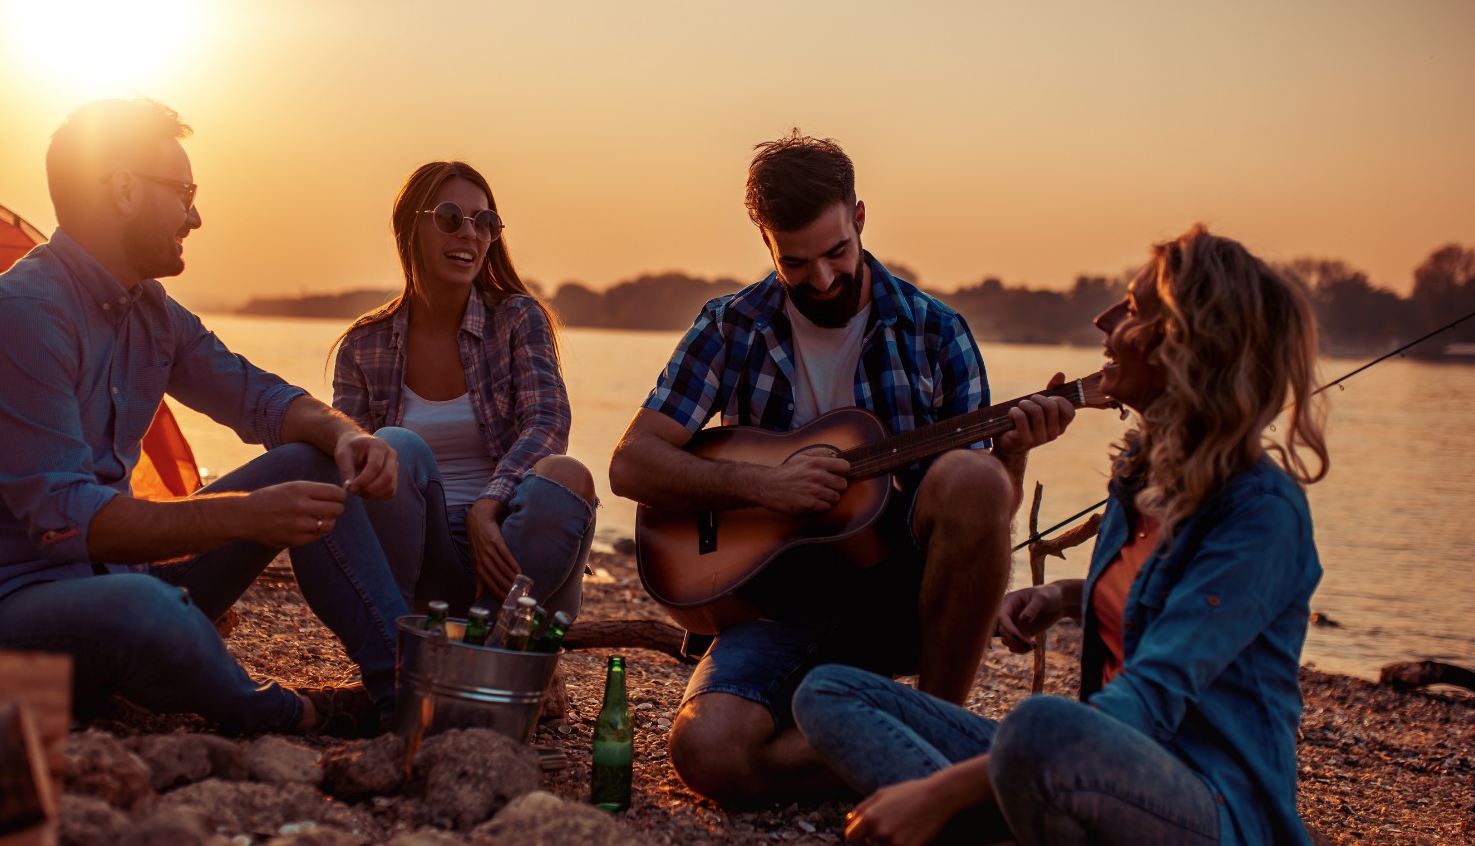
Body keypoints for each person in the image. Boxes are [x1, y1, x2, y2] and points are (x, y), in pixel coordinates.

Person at [793, 225, 1330, 845]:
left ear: (1183, 343)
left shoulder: (1261, 513)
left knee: (1038, 727)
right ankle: (983, 828)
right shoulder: (1142, 475)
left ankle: (950, 816)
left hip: (1212, 807)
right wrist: (1065, 598)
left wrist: (936, 791)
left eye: (1130, 309)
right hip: (1090, 777)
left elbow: (1148, 701)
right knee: (829, 690)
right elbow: (1165, 598)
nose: (1103, 321)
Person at [0, 97, 412, 737]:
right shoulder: (19, 317)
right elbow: (67, 523)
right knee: (143, 608)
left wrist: (346, 435)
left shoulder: (151, 311)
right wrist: (248, 515)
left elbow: (262, 399)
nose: (195, 215)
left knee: (313, 461)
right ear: (122, 189)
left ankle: (408, 691)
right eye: (185, 192)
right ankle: (298, 713)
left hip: (110, 583)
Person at [607, 130, 1076, 801]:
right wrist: (762, 485)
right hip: (771, 607)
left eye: (837, 252)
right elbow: (632, 463)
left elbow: (981, 508)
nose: (822, 279)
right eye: (796, 263)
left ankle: (931, 741)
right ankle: (910, 756)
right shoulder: (730, 325)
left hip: (902, 602)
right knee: (705, 751)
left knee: (969, 477)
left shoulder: (934, 331)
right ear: (765, 241)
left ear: (859, 218)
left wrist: (1014, 452)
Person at [332, 162, 595, 619]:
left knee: (566, 474)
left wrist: (488, 505)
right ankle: (421, 633)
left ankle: (487, 638)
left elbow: (549, 422)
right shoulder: (364, 344)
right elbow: (347, 465)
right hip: (416, 551)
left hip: (513, 539)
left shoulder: (517, 319)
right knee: (393, 446)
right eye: (451, 218)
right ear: (410, 227)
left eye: (485, 222)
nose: (470, 235)